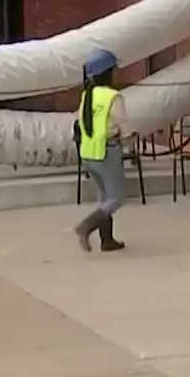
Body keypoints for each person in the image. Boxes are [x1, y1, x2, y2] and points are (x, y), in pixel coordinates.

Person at [73, 49, 129, 253]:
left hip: (88, 152)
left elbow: (81, 121)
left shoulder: (87, 95)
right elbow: (123, 124)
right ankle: (85, 227)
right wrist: (129, 137)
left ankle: (107, 241)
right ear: (108, 72)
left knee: (104, 198)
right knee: (116, 198)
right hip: (107, 150)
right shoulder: (113, 96)